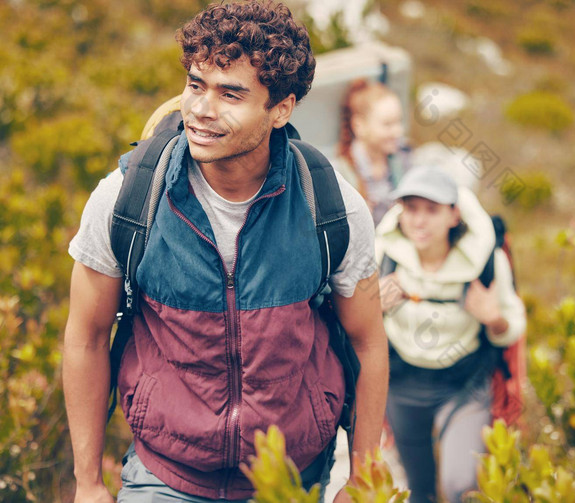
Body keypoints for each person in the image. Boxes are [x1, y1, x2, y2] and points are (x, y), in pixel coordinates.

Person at [62, 2, 388, 502]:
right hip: (166, 477)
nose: (200, 109)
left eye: (230, 94)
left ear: (281, 109)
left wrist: (363, 479)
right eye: (196, 85)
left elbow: (367, 343)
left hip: (289, 479)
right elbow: (85, 337)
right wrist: (86, 482)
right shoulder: (127, 199)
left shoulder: (333, 207)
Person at [376, 167, 526, 503]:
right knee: (419, 492)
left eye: (432, 210)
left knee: (462, 488)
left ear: (454, 215)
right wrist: (374, 308)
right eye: (411, 209)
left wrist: (494, 319)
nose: (419, 221)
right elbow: (353, 325)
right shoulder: (384, 254)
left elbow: (512, 326)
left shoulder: (486, 261)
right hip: (401, 387)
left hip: (463, 387)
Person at [335, 79, 410, 226]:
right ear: (359, 126)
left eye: (399, 122)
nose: (398, 131)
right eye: (387, 124)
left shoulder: (404, 158)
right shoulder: (340, 174)